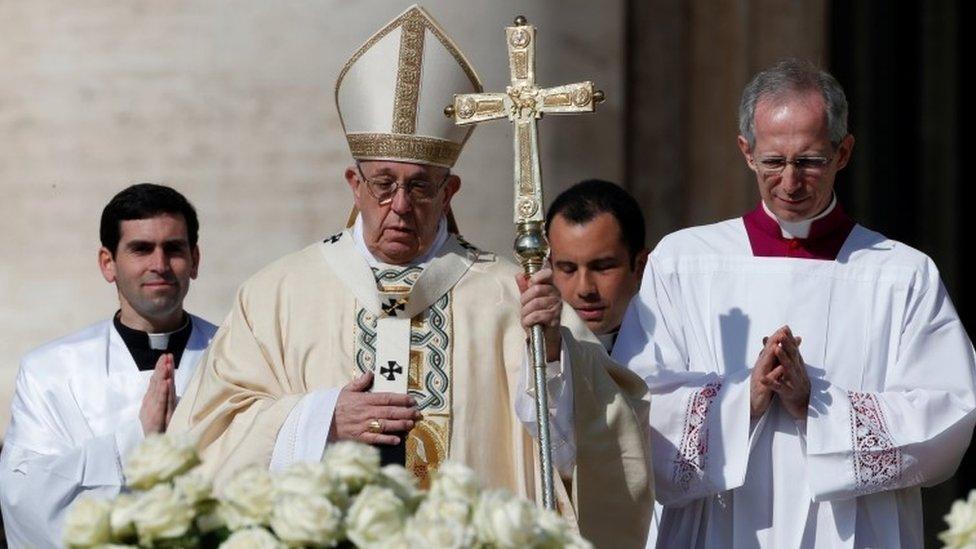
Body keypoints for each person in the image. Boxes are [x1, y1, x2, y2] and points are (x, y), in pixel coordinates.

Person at [170, 6, 652, 547]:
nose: (399, 205)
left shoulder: (509, 295)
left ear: (450, 193)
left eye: (421, 187)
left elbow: (609, 449)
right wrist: (321, 418)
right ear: (354, 184)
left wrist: (553, 358)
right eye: (382, 184)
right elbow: (206, 437)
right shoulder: (278, 296)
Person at [613, 58, 976, 548]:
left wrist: (816, 405)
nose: (789, 182)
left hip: (854, 529)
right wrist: (747, 400)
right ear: (746, 151)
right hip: (717, 527)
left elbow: (948, 413)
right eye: (773, 162)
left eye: (809, 161)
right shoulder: (684, 263)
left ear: (843, 152)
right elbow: (635, 406)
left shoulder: (901, 273)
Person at [0, 183, 218, 548]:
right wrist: (134, 441)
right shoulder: (50, 372)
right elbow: (25, 499)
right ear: (108, 263)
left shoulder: (237, 354)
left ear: (195, 260)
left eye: (174, 249)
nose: (160, 265)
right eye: (141, 249)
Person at [546, 179, 648, 351]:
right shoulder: (528, 351)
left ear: (639, 266)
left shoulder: (677, 350)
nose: (585, 289)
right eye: (568, 269)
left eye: (602, 267)